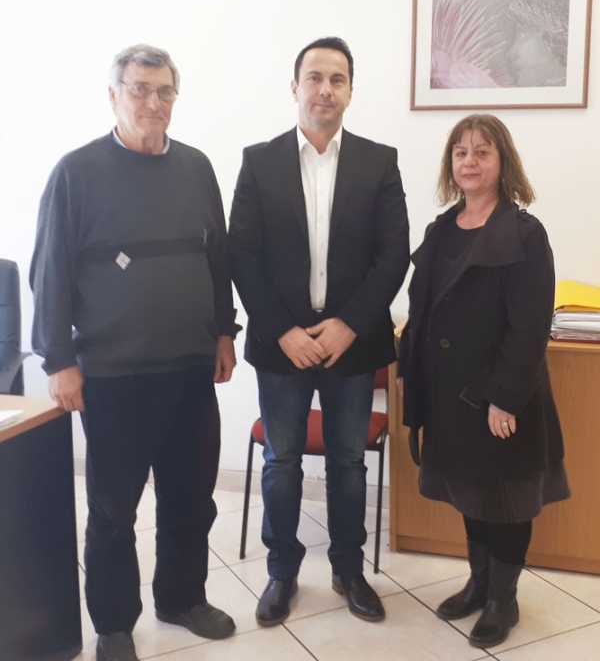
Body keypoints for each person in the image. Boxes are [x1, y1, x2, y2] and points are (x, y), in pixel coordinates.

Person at [30, 44, 240, 661]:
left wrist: (224, 332)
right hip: (114, 376)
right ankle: (115, 624)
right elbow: (50, 273)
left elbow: (218, 259)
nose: (154, 102)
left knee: (191, 500)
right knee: (113, 511)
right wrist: (57, 360)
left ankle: (181, 597)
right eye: (140, 89)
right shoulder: (76, 173)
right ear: (114, 95)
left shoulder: (196, 167)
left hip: (191, 369)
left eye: (165, 90)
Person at [229, 37, 410, 626]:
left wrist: (349, 326)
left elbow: (394, 254)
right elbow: (241, 255)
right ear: (295, 87)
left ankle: (348, 569)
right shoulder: (259, 161)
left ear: (351, 91)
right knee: (281, 462)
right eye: (314, 77)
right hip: (281, 346)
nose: (325, 89)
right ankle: (282, 571)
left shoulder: (379, 162)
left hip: (350, 348)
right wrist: (283, 331)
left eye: (337, 79)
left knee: (348, 463)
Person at [397, 114, 569, 649]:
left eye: (482, 152)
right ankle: (478, 583)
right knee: (470, 493)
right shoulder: (442, 229)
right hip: (449, 398)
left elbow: (529, 327)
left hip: (497, 398)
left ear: (502, 161)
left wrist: (504, 398)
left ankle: (503, 600)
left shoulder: (524, 233)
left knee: (506, 500)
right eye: (460, 152)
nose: (469, 162)